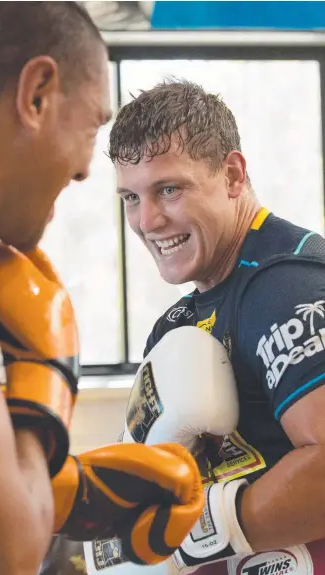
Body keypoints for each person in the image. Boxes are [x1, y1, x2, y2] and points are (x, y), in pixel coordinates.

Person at [0, 4, 205, 574]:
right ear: (37, 94)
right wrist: (45, 379)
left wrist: (53, 493)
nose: (86, 169)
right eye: (92, 125)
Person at [84, 79, 325, 575]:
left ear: (233, 175)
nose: (147, 220)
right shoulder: (182, 321)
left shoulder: (283, 287)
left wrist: (198, 533)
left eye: (168, 189)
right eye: (130, 197)